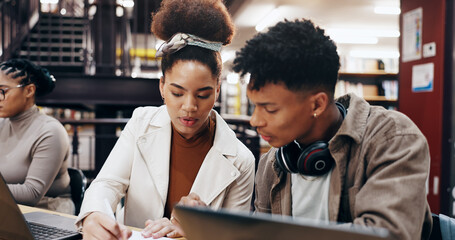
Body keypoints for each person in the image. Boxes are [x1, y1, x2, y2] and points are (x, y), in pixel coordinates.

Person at [232, 19, 432, 240]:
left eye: (269, 109)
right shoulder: (274, 163)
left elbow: (388, 235)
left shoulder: (393, 138)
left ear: (317, 104)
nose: (254, 120)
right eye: (255, 106)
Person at [75, 0, 255, 239]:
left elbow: (235, 236)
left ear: (218, 90)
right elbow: (107, 184)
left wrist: (198, 231)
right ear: (162, 86)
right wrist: (94, 214)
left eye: (203, 94)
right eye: (177, 93)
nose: (189, 107)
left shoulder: (241, 160)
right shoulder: (142, 121)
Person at [0, 58, 74, 214]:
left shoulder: (50, 131)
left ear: (29, 91)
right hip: (9, 209)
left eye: (2, 91)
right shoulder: (2, 124)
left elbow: (31, 194)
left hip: (47, 212)